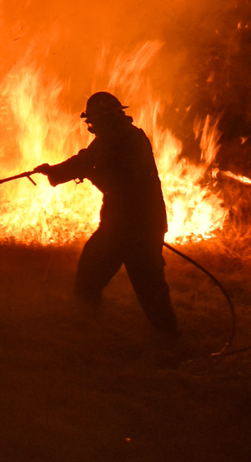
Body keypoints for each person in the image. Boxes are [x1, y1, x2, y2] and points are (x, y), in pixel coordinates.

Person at [33, 91, 178, 340]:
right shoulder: (108, 138)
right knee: (90, 271)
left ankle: (169, 336)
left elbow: (122, 184)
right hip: (116, 224)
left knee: (149, 284)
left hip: (141, 226)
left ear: (107, 118)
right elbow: (85, 159)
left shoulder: (133, 141)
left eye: (94, 121)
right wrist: (53, 171)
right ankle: (87, 324)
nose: (92, 127)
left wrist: (91, 174)